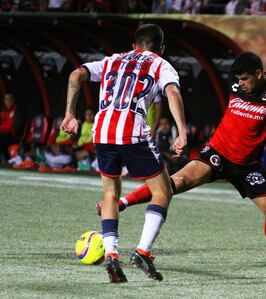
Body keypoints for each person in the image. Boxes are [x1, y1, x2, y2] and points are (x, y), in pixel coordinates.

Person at [97, 51, 266, 267]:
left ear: (259, 73)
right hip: (216, 153)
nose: (240, 84)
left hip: (247, 166)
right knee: (176, 182)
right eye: (238, 80)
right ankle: (122, 203)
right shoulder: (236, 87)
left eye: (245, 79)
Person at [61, 24, 187, 283]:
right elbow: (172, 92)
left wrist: (70, 114)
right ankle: (142, 251)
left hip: (102, 131)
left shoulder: (113, 60)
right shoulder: (160, 64)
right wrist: (182, 132)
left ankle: (111, 254)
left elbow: (76, 75)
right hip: (132, 132)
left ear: (134, 45)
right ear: (161, 49)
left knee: (110, 193)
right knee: (163, 191)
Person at [0, 93, 22, 163]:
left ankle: (5, 160)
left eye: (10, 99)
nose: (8, 101)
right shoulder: (2, 111)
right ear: (4, 101)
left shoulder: (18, 112)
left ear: (13, 101)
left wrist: (1, 129)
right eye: (6, 99)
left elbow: (14, 127)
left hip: (13, 137)